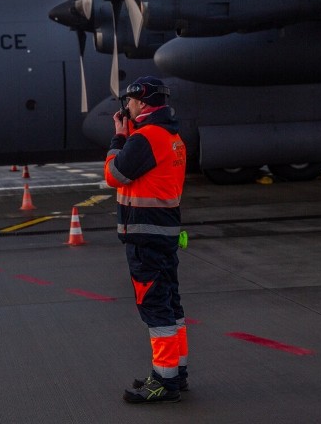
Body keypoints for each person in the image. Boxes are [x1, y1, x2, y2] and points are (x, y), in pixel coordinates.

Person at [104, 76, 188, 404]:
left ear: (142, 103)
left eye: (130, 101)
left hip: (145, 237)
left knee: (155, 308)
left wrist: (118, 138)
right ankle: (176, 374)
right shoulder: (172, 136)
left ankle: (163, 382)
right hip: (165, 234)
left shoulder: (145, 139)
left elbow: (114, 175)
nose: (126, 107)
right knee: (171, 305)